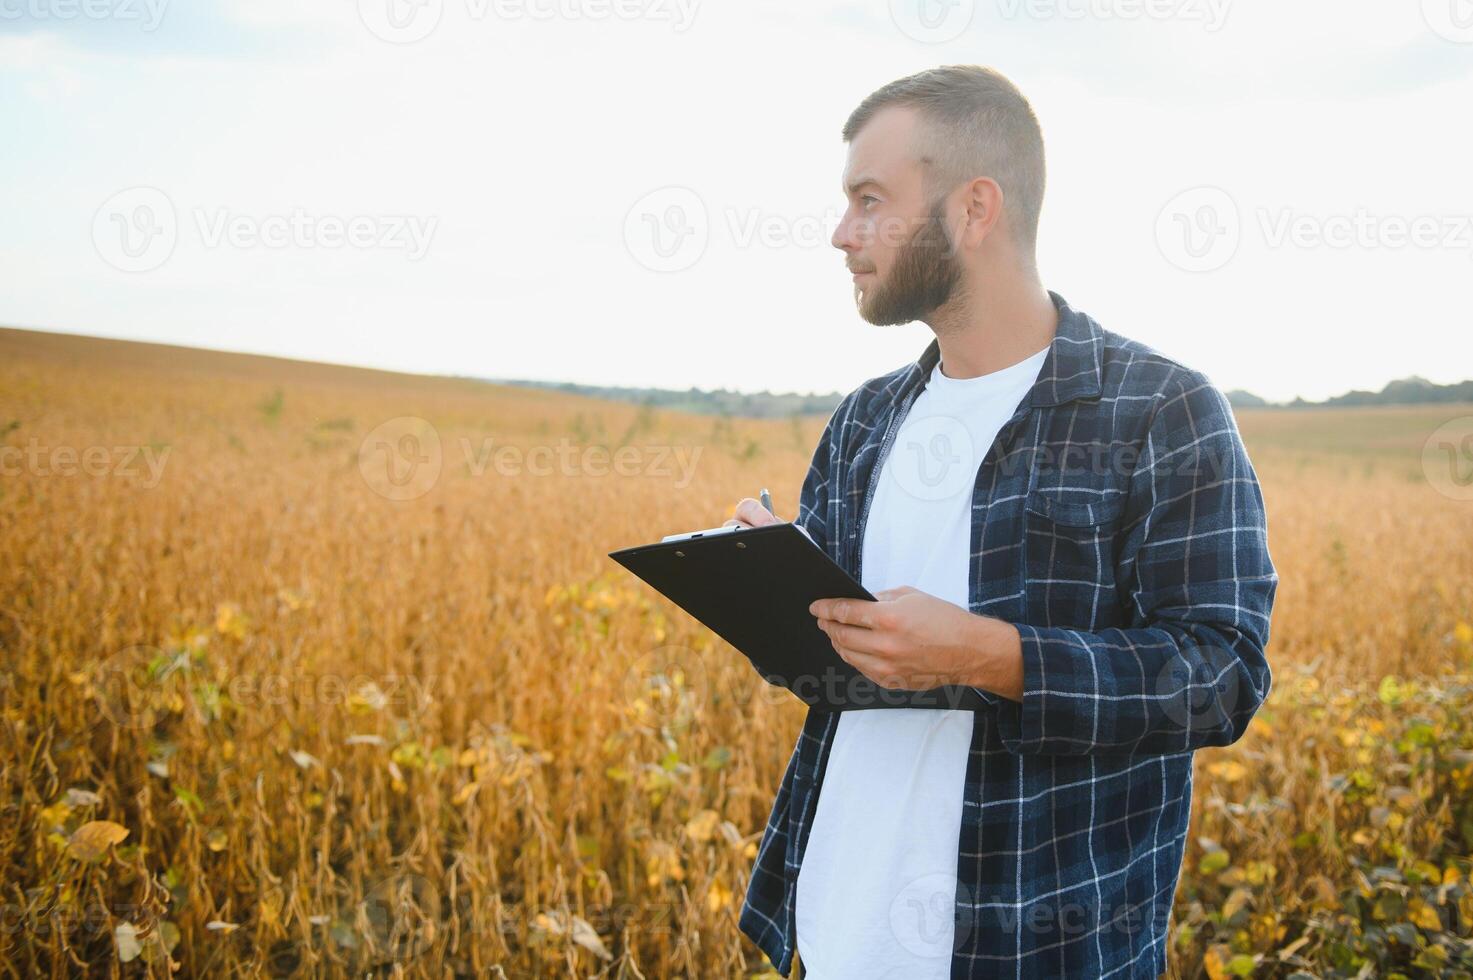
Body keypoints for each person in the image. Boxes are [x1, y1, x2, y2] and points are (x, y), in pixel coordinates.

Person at [724, 65, 1277, 979]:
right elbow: (825, 678)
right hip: (833, 929)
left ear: (973, 209)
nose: (840, 234)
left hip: (1026, 945)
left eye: (869, 200)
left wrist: (988, 654)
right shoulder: (866, 419)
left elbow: (1220, 675)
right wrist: (769, 585)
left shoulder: (1158, 412)